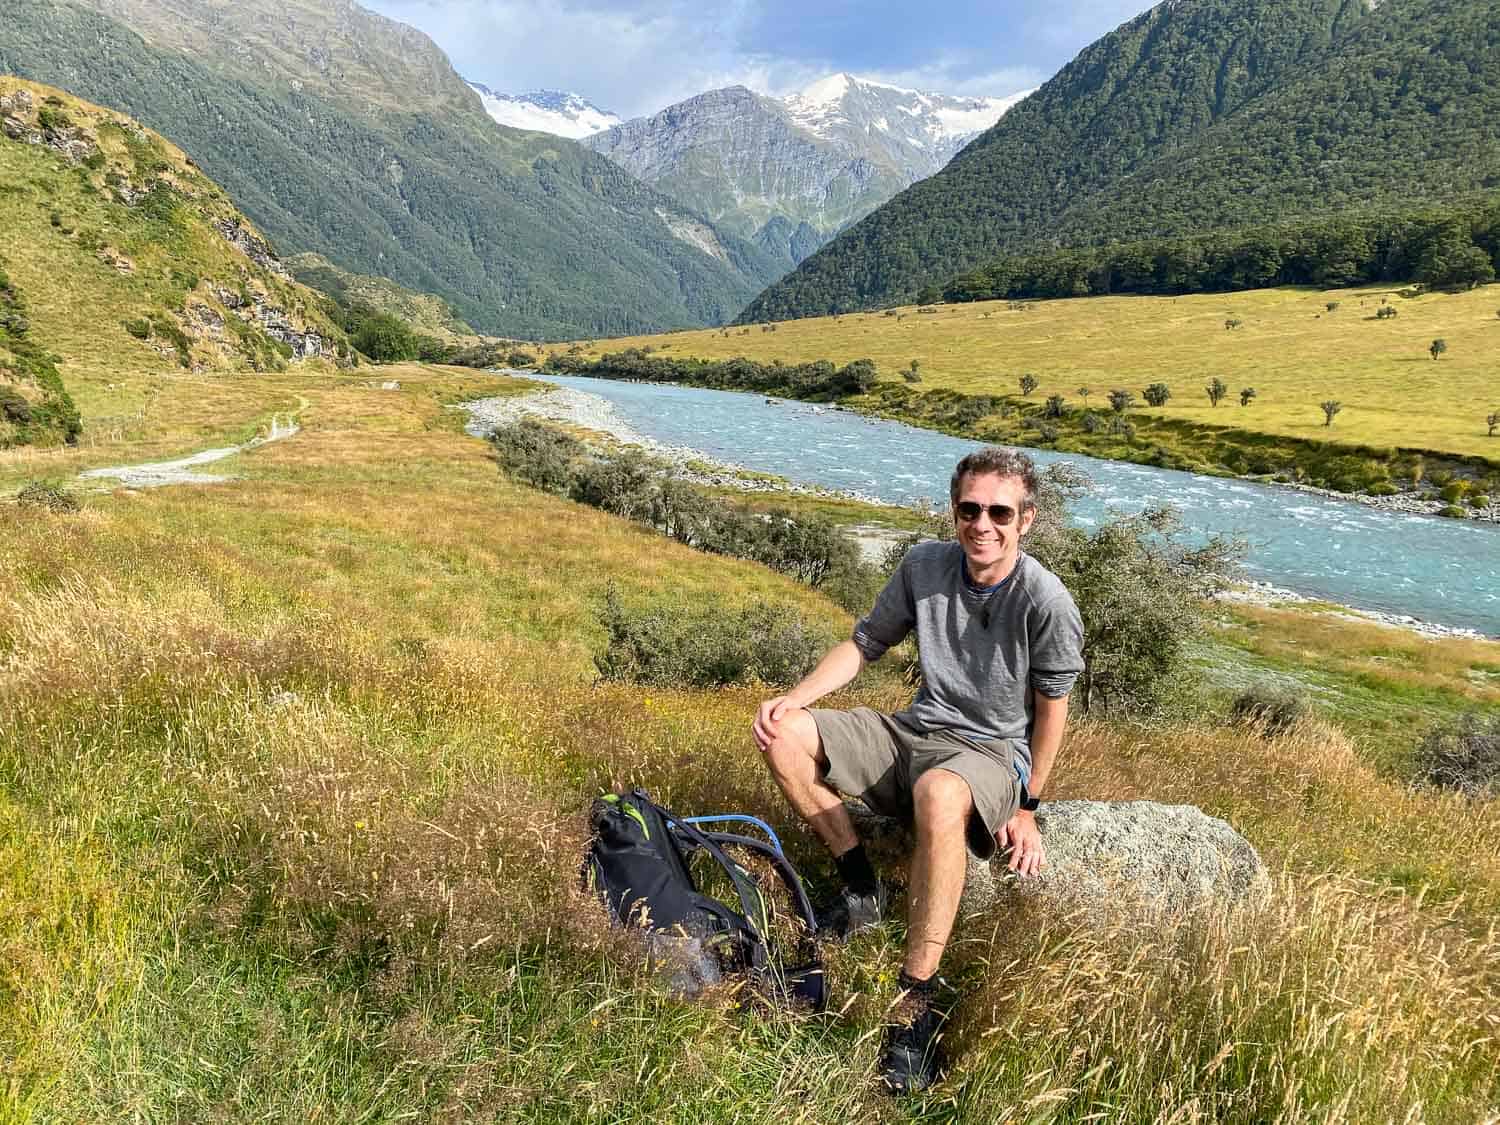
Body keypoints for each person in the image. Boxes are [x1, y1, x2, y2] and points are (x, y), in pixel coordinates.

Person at [751, 446, 1084, 1093]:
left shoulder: (1046, 600)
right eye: (969, 509)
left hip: (987, 754)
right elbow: (863, 644)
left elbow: (1052, 710)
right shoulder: (924, 565)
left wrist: (1028, 805)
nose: (981, 524)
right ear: (953, 510)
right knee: (781, 734)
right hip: (913, 729)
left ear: (1026, 520)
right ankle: (860, 887)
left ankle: (913, 1007)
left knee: (938, 792)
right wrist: (796, 697)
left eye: (998, 512)